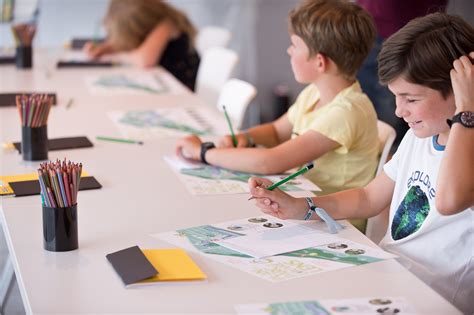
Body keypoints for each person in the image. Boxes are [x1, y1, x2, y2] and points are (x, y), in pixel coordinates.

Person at [248, 12, 474, 314]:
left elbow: (448, 201)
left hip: (430, 299)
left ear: (460, 89)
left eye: (411, 98)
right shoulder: (420, 137)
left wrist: (468, 110)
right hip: (388, 278)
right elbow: (368, 197)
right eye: (396, 97)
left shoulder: (466, 145)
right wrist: (302, 206)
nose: (399, 110)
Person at [176, 0, 379, 198]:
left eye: (295, 45)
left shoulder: (346, 112)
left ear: (320, 62)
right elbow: (275, 132)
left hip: (334, 221)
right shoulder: (315, 93)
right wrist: (246, 137)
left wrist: (203, 152)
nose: (289, 51)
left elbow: (270, 161)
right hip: (304, 203)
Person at [356, 0, 448, 148]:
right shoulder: (413, 138)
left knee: (390, 120)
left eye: (411, 100)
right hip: (372, 21)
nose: (399, 111)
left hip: (405, 24)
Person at [83, 0, 200, 90]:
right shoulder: (155, 26)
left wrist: (117, 55)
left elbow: (144, 60)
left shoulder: (167, 24)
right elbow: (131, 46)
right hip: (166, 84)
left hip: (184, 88)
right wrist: (106, 49)